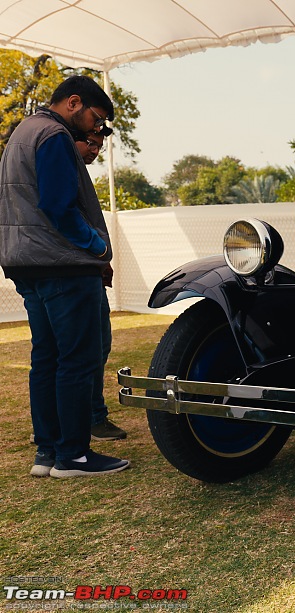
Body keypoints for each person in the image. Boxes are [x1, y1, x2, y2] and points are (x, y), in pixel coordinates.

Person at [0, 75, 130, 477]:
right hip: (62, 264)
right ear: (74, 102)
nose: (97, 129)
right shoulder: (54, 135)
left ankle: (48, 454)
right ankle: (74, 455)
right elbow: (58, 206)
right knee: (78, 360)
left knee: (48, 359)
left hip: (28, 263)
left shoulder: (23, 131)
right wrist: (97, 246)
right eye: (97, 118)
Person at [73, 126, 127, 442]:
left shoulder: (77, 171)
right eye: (90, 142)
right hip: (77, 271)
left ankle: (58, 422)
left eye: (99, 145)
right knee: (90, 348)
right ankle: (92, 418)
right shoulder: (66, 169)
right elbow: (69, 220)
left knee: (91, 347)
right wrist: (99, 253)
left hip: (88, 269)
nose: (95, 150)